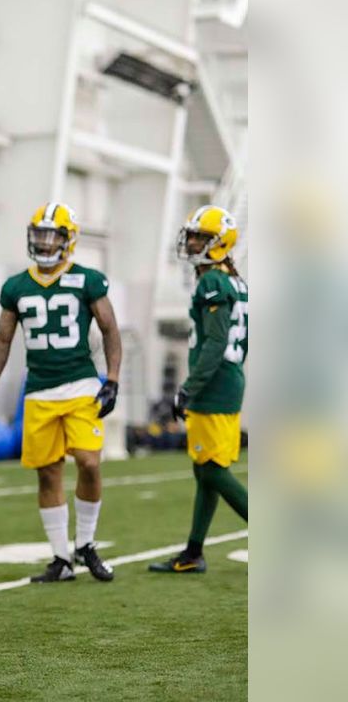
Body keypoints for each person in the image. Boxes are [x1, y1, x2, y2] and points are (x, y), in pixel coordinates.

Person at [0, 203, 121, 583]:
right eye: (38, 234)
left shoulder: (87, 279)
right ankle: (61, 558)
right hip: (39, 390)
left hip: (81, 385)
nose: (43, 242)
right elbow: (3, 339)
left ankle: (86, 543)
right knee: (47, 473)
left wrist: (113, 379)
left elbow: (110, 330)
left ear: (68, 239)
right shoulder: (16, 286)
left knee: (89, 462)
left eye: (51, 235)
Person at [149, 206, 248, 573]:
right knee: (203, 469)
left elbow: (216, 342)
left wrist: (189, 387)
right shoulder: (233, 280)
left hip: (215, 385)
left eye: (200, 238)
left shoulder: (213, 282)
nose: (192, 243)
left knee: (212, 470)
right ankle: (194, 552)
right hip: (226, 380)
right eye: (191, 236)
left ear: (220, 243)